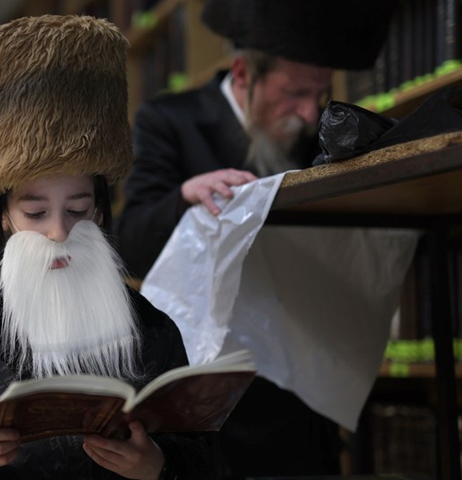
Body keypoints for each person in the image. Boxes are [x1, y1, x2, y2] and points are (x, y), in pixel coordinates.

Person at [0, 15, 212, 480]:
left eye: (78, 209)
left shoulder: (154, 330)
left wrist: (159, 466)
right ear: (3, 217)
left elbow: (205, 457)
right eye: (35, 214)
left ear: (101, 211)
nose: (59, 232)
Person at [114, 1, 396, 479]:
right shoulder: (170, 119)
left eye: (320, 93)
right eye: (294, 93)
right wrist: (185, 195)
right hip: (209, 398)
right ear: (244, 73)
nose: (310, 112)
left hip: (301, 386)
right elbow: (131, 242)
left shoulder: (317, 132)